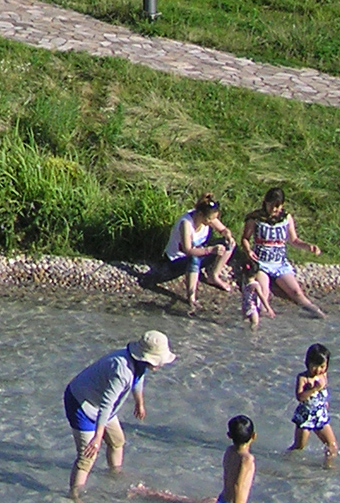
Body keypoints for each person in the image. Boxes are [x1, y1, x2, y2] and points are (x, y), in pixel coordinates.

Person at [63, 330, 178, 497]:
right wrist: (97, 437)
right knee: (87, 456)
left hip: (101, 405)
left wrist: (140, 403)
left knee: (117, 441)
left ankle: (114, 474)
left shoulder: (140, 363)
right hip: (81, 403)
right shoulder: (122, 371)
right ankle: (74, 495)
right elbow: (106, 404)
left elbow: (138, 380)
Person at [129, 415, 257, 503]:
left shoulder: (229, 451)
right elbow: (237, 486)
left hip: (222, 499)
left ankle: (145, 492)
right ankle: (145, 492)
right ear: (254, 436)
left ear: (229, 435)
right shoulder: (247, 459)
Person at [240, 187, 325, 318]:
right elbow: (245, 238)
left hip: (280, 264)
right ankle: (263, 317)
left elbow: (294, 240)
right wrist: (248, 251)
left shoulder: (286, 218)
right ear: (266, 202)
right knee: (263, 292)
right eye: (272, 206)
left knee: (296, 292)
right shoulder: (255, 218)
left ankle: (315, 312)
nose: (275, 209)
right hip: (261, 263)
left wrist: (308, 247)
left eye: (278, 206)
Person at [158, 193, 236, 309]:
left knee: (228, 244)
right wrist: (210, 250)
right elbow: (188, 250)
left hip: (200, 251)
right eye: (209, 219)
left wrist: (228, 236)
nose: (212, 222)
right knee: (194, 258)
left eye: (214, 218)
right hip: (177, 259)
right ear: (200, 215)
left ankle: (214, 276)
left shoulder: (209, 218)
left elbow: (224, 230)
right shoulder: (186, 224)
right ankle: (191, 296)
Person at [287, 343, 339, 465]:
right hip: (306, 416)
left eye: (322, 366)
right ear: (308, 363)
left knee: (332, 445)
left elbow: (324, 392)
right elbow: (300, 397)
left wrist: (325, 402)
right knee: (299, 446)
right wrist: (313, 389)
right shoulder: (303, 378)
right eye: (315, 366)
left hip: (320, 415)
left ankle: (328, 467)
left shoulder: (323, 375)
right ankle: (286, 460)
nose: (318, 370)